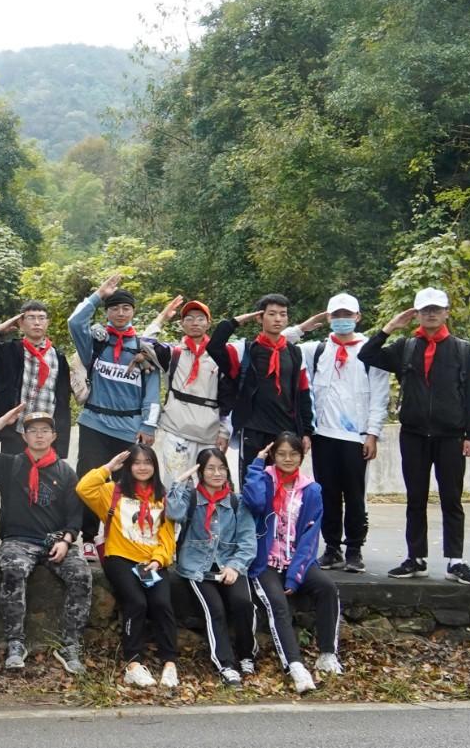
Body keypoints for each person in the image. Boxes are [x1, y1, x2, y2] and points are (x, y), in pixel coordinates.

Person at [359, 287, 470, 585]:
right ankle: (416, 557)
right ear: (416, 312)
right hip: (414, 434)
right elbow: (368, 354)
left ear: (446, 312)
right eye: (425, 309)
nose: (431, 313)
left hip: (451, 435)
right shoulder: (406, 347)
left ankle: (456, 560)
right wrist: (390, 327)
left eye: (436, 309)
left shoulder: (462, 349)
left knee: (451, 499)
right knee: (415, 498)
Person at [0, 406, 91, 675]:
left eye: (44, 431)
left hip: (55, 541)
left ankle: (69, 645)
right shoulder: (10, 465)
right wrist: (1, 422)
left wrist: (67, 539)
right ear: (24, 436)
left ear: (54, 436)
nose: (39, 436)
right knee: (13, 570)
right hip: (19, 540)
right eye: (33, 431)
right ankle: (16, 643)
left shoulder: (65, 471)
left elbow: (75, 516)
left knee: (82, 574)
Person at [284, 293, 390, 574]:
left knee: (356, 494)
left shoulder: (370, 351)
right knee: (326, 493)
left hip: (356, 437)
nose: (342, 320)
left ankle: (354, 548)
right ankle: (332, 548)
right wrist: (305, 326)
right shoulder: (316, 350)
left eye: (347, 315)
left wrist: (373, 433)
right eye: (336, 315)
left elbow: (380, 395)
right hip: (324, 435)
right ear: (328, 318)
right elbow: (280, 342)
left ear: (358, 317)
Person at [242, 433, 343, 693]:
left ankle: (327, 654)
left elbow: (309, 537)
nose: (287, 459)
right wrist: (256, 463)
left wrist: (295, 575)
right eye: (282, 454)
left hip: (296, 561)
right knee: (278, 604)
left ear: (302, 456)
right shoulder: (264, 478)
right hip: (265, 561)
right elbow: (253, 502)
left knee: (327, 588)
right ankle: (295, 665)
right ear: (273, 455)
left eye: (293, 454)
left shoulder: (311, 490)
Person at [68, 275, 161, 553]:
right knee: (89, 478)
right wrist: (98, 294)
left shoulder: (144, 349)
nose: (120, 313)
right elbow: (74, 323)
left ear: (133, 312)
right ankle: (87, 537)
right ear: (107, 311)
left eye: (126, 309)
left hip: (130, 428)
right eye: (114, 308)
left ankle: (129, 537)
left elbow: (153, 392)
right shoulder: (96, 341)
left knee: (132, 483)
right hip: (95, 422)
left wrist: (149, 426)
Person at [75, 443, 178, 689]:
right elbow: (83, 488)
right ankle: (133, 663)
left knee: (162, 603)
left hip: (151, 560)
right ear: (129, 466)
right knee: (136, 602)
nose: (142, 467)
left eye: (147, 462)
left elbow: (167, 537)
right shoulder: (113, 491)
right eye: (137, 462)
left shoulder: (162, 498)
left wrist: (157, 560)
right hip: (119, 557)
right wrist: (108, 468)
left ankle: (170, 664)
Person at [166, 447, 257, 686]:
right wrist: (180, 482)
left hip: (229, 564)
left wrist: (235, 566)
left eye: (221, 468)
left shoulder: (237, 502)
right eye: (210, 468)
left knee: (243, 603)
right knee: (214, 609)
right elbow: (173, 512)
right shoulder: (192, 497)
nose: (217, 473)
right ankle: (225, 664)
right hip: (197, 567)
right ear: (201, 472)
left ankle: (247, 654)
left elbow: (248, 541)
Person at [208, 294, 314, 466]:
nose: (278, 319)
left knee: (283, 487)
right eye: (271, 314)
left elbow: (303, 393)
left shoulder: (295, 353)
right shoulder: (245, 351)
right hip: (253, 430)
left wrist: (306, 432)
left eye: (283, 314)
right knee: (252, 485)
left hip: (286, 431)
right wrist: (234, 322)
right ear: (259, 317)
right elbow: (214, 346)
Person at [143, 297, 234, 487]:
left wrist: (224, 433)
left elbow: (228, 398)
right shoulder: (173, 352)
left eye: (200, 318)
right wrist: (162, 317)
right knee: (175, 486)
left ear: (209, 323)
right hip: (176, 431)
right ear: (182, 324)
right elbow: (145, 342)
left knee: (209, 487)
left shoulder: (221, 355)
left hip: (209, 433)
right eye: (189, 318)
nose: (195, 323)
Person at [0, 301, 73, 457]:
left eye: (41, 318)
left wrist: (61, 437)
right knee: (11, 478)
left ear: (47, 322)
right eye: (31, 318)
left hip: (45, 433)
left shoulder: (58, 357)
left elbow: (63, 398)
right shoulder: (9, 351)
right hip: (15, 430)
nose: (37, 322)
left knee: (44, 480)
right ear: (21, 323)